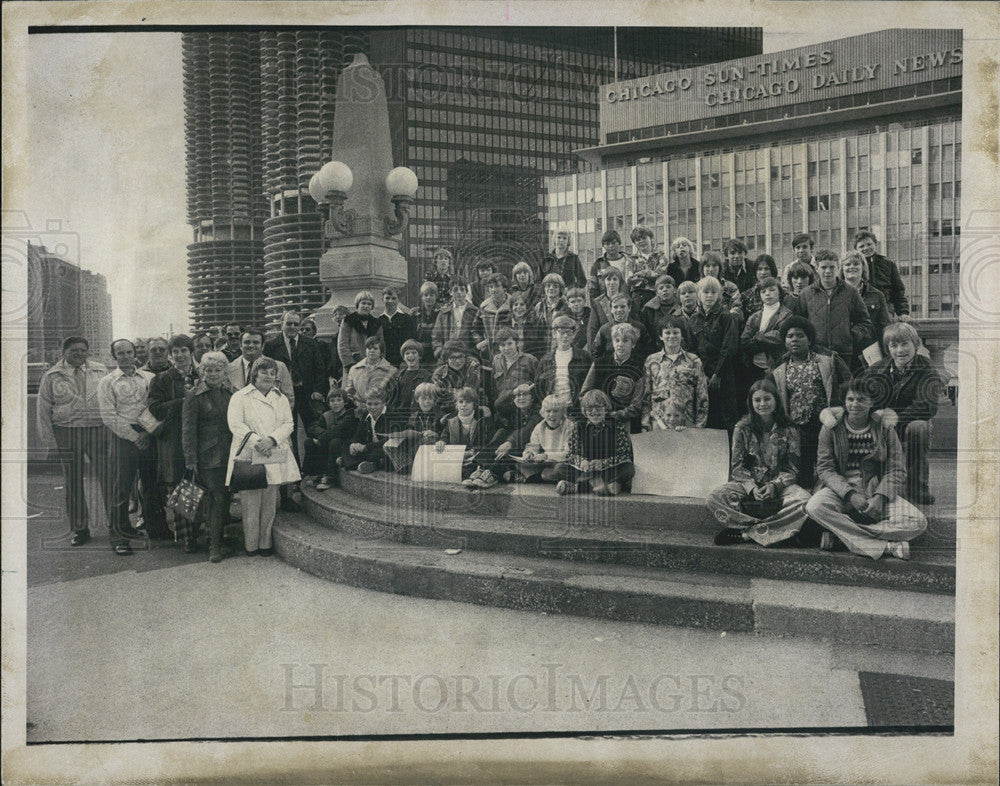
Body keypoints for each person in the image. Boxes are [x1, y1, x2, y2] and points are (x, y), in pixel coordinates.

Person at [805, 377, 928, 560]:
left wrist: (880, 497)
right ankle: (886, 547)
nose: (855, 404)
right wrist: (850, 494)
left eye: (861, 400)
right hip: (840, 490)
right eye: (850, 399)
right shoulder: (831, 428)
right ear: (844, 402)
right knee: (814, 506)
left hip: (874, 489)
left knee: (918, 522)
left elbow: (896, 469)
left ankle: (841, 538)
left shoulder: (884, 428)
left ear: (872, 402)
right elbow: (825, 469)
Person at [708, 380, 812, 547]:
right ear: (751, 403)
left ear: (776, 400)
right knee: (714, 498)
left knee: (805, 501)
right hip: (749, 485)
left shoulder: (789, 428)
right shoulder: (742, 428)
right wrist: (752, 488)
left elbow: (792, 469)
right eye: (757, 400)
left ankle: (745, 535)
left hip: (780, 485)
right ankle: (775, 530)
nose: (762, 404)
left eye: (767, 399)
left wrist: (774, 486)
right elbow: (737, 467)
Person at [36, 336, 109, 547]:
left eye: (83, 350)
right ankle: (80, 529)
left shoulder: (100, 370)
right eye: (74, 350)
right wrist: (49, 443)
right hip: (67, 432)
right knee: (73, 482)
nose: (79, 354)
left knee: (108, 478)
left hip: (97, 430)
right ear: (64, 352)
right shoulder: (52, 376)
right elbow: (43, 410)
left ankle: (116, 525)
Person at [860, 322, 941, 504]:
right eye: (893, 345)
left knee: (920, 428)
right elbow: (860, 393)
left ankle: (917, 486)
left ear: (916, 344)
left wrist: (895, 417)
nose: (900, 350)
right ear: (888, 348)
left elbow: (927, 407)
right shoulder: (878, 368)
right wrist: (875, 414)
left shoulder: (926, 368)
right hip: (881, 425)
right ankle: (873, 481)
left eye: (905, 344)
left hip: (908, 423)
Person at [226, 356, 299, 556]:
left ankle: (265, 544)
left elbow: (288, 424)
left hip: (273, 452)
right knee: (250, 504)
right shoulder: (240, 396)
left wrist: (272, 440)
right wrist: (258, 441)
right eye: (264, 371)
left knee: (270, 502)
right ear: (254, 374)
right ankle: (251, 546)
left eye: (272, 372)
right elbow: (235, 424)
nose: (268, 376)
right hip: (251, 453)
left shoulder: (280, 397)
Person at [766, 316, 851, 487]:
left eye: (800, 335)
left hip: (823, 425)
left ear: (809, 339)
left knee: (826, 468)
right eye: (790, 336)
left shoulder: (828, 361)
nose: (795, 340)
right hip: (796, 429)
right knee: (802, 473)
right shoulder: (779, 370)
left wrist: (841, 409)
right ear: (785, 341)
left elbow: (848, 383)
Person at [97, 339, 157, 555]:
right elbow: (109, 416)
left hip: (149, 433)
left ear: (135, 354)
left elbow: (155, 406)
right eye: (120, 353)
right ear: (114, 356)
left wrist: (148, 433)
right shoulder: (107, 382)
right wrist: (135, 436)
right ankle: (119, 536)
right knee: (121, 488)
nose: (125, 356)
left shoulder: (149, 378)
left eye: (129, 352)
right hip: (122, 436)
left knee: (151, 485)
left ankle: (155, 528)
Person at [181, 351, 236, 563]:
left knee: (221, 498)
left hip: (229, 454)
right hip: (206, 456)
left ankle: (205, 539)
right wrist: (190, 459)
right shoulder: (194, 396)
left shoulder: (233, 393)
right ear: (202, 372)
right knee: (212, 498)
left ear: (225, 371)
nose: (213, 374)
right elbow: (188, 430)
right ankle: (213, 545)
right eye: (208, 370)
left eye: (218, 370)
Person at [148, 334, 200, 550]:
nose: (180, 355)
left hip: (199, 438)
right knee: (181, 486)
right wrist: (183, 402)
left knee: (198, 485)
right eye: (176, 351)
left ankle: (200, 531)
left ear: (191, 352)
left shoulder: (202, 374)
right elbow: (154, 408)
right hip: (174, 440)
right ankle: (187, 537)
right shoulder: (161, 379)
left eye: (184, 351)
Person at [792, 249, 873, 369]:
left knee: (843, 387)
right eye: (824, 267)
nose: (828, 271)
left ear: (838, 267)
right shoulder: (806, 294)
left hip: (844, 354)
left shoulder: (851, 292)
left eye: (832, 267)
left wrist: (850, 335)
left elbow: (864, 322)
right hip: (815, 354)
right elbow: (798, 323)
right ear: (817, 268)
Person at [555, 389, 635, 496]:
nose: (594, 412)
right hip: (586, 469)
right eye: (589, 408)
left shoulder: (617, 425)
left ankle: (578, 487)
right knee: (559, 468)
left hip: (608, 469)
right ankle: (606, 486)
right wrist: (582, 462)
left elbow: (625, 455)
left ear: (605, 408)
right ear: (584, 410)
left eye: (598, 408)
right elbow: (571, 454)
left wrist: (602, 463)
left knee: (628, 469)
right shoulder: (579, 426)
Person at [642, 317, 709, 430]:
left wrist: (699, 427)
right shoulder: (652, 361)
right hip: (659, 424)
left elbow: (702, 396)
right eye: (667, 333)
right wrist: (645, 425)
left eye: (675, 332)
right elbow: (646, 395)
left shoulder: (693, 361)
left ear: (681, 335)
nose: (672, 336)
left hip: (686, 423)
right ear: (661, 336)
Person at [691, 276, 739, 431]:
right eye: (706, 292)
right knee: (704, 416)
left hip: (723, 375)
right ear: (699, 294)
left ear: (719, 294)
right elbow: (691, 348)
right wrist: (701, 373)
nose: (709, 296)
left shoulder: (726, 317)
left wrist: (717, 374)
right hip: (701, 374)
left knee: (726, 417)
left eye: (713, 292)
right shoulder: (693, 319)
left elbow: (729, 347)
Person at [581, 322, 646, 434]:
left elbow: (637, 404)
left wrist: (615, 416)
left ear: (633, 344)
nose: (620, 344)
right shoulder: (599, 363)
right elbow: (585, 393)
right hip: (599, 420)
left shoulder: (640, 366)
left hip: (628, 423)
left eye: (625, 341)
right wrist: (596, 413)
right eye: (617, 340)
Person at [479, 383, 542, 487]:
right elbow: (498, 404)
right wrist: (513, 391)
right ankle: (481, 468)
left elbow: (528, 430)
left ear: (532, 398)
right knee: (502, 432)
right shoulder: (515, 409)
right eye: (517, 395)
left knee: (507, 442)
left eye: (525, 395)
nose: (520, 398)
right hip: (516, 446)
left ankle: (490, 472)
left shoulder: (538, 411)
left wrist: (510, 442)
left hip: (529, 449)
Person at [435, 386, 495, 485]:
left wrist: (472, 453)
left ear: (474, 405)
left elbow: (487, 441)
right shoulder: (450, 422)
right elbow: (445, 436)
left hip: (477, 458)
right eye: (461, 402)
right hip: (459, 459)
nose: (463, 405)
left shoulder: (483, 420)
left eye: (468, 402)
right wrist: (441, 441)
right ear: (456, 405)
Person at [740, 275, 795, 381]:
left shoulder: (786, 314)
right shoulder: (754, 317)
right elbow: (745, 341)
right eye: (763, 291)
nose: (767, 294)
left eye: (772, 290)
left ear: (779, 292)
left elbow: (779, 337)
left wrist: (757, 337)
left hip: (776, 365)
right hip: (755, 366)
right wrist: (765, 339)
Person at [383, 382, 444, 475]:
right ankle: (406, 466)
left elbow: (446, 433)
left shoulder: (440, 415)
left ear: (435, 400)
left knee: (428, 439)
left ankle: (415, 464)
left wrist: (437, 434)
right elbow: (409, 431)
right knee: (388, 444)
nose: (427, 402)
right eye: (423, 398)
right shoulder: (414, 416)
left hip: (432, 446)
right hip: (415, 445)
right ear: (417, 400)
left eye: (430, 398)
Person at [840, 250, 892, 358]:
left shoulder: (877, 295)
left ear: (863, 267)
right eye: (847, 264)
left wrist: (887, 356)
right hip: (842, 350)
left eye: (856, 264)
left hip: (869, 350)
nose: (852, 267)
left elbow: (884, 327)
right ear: (842, 268)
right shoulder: (833, 294)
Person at [536, 314, 592, 411]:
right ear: (554, 334)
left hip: (576, 409)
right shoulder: (546, 360)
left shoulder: (584, 357)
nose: (565, 336)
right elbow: (538, 386)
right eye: (561, 333)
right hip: (553, 410)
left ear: (574, 335)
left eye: (569, 333)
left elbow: (591, 384)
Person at [306, 387, 357, 489]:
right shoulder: (327, 415)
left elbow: (337, 431)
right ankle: (317, 474)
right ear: (328, 403)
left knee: (334, 441)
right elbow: (312, 428)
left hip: (346, 445)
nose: (335, 403)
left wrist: (320, 439)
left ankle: (330, 478)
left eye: (339, 400)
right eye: (332, 401)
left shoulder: (350, 415)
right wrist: (322, 434)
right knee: (309, 442)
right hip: (330, 441)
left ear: (345, 402)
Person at [853, 229, 909, 319]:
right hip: (861, 309)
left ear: (876, 245)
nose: (866, 248)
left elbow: (898, 291)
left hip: (885, 309)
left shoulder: (888, 264)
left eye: (869, 244)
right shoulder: (852, 266)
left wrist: (903, 312)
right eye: (861, 246)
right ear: (856, 249)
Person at [519, 395, 574, 483]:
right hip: (546, 463)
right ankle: (542, 477)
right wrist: (529, 453)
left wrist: (546, 455)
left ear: (562, 413)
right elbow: (532, 446)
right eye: (548, 411)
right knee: (522, 465)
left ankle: (536, 478)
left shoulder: (569, 426)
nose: (551, 415)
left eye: (556, 411)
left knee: (559, 469)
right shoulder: (539, 427)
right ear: (543, 412)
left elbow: (568, 453)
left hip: (562, 461)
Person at [228, 328, 293, 398]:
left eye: (256, 342)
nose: (251, 345)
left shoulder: (280, 367)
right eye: (247, 342)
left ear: (262, 346)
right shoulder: (228, 369)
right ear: (240, 345)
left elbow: (288, 397)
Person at [340, 387, 391, 474]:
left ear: (384, 403)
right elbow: (358, 434)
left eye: (376, 404)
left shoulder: (390, 415)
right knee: (345, 444)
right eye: (369, 404)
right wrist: (353, 444)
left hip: (383, 448)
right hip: (369, 448)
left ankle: (349, 462)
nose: (372, 407)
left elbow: (389, 439)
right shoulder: (366, 415)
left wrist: (365, 447)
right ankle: (370, 464)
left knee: (377, 453)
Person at [489, 327, 539, 409]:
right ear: (498, 347)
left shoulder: (530, 360)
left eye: (509, 343)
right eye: (502, 345)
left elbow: (538, 386)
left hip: (523, 408)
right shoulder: (496, 360)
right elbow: (493, 387)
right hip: (502, 407)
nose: (506, 348)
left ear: (517, 343)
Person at [336, 292, 384, 376]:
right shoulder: (348, 321)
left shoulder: (376, 323)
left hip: (372, 366)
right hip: (354, 364)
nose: (366, 306)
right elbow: (342, 345)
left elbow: (381, 345)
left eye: (369, 304)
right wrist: (349, 365)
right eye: (363, 303)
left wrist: (379, 363)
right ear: (358, 304)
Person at [386, 338, 433, 424]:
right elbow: (390, 399)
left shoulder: (427, 376)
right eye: (407, 353)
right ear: (403, 357)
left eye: (414, 352)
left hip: (417, 419)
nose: (410, 355)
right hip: (398, 418)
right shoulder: (397, 376)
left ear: (420, 356)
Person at [344, 336, 397, 409]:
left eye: (375, 348)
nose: (372, 351)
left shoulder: (391, 370)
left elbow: (392, 396)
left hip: (380, 409)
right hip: (358, 410)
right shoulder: (354, 369)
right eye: (369, 348)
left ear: (381, 351)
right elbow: (349, 392)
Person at [431, 278, 478, 360]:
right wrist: (440, 352)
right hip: (447, 355)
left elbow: (477, 334)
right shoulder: (444, 313)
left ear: (466, 291)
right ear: (450, 292)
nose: (459, 292)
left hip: (468, 355)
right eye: (455, 290)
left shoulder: (474, 311)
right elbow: (436, 335)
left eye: (462, 289)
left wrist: (473, 353)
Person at [431, 340, 483, 411]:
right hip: (447, 409)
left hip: (471, 407)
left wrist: (450, 392)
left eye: (460, 356)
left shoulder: (473, 364)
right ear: (446, 359)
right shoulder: (439, 374)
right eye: (453, 358)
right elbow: (439, 397)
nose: (458, 361)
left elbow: (469, 393)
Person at [472, 273, 512, 366]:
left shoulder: (513, 304)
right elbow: (475, 329)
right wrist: (480, 342)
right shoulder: (484, 307)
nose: (493, 290)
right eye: (490, 287)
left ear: (504, 288)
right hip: (488, 353)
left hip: (509, 351)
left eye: (497, 286)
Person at [590, 294, 646, 360]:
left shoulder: (639, 327)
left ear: (629, 308)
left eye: (622, 306)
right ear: (611, 309)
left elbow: (647, 350)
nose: (619, 310)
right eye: (615, 307)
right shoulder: (604, 329)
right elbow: (595, 352)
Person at [586, 267, 629, 353]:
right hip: (606, 349)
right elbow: (592, 330)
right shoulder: (597, 303)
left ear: (620, 282)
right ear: (604, 282)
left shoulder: (627, 301)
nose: (612, 283)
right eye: (608, 279)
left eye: (615, 279)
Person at [639, 274, 680, 356]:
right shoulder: (648, 310)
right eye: (661, 288)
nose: (665, 290)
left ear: (675, 290)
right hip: (655, 351)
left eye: (668, 287)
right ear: (657, 292)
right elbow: (646, 335)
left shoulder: (681, 306)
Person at [700, 252, 744, 326]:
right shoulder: (696, 287)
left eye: (714, 266)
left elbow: (737, 311)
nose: (711, 269)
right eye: (707, 266)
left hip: (726, 326)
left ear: (719, 268)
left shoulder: (730, 287)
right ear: (702, 268)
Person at [500, 292, 547, 359]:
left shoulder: (535, 324)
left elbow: (541, 349)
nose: (519, 307)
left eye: (522, 304)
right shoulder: (504, 324)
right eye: (515, 304)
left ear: (527, 307)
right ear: (511, 307)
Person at [377, 286, 416, 366]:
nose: (390, 301)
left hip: (403, 362)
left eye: (394, 298)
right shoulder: (378, 320)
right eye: (387, 298)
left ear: (398, 300)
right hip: (384, 363)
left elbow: (411, 341)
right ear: (382, 299)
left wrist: (405, 361)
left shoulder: (406, 319)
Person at [588, 230, 630, 300]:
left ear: (619, 243)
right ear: (603, 246)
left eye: (613, 243)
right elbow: (593, 289)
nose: (611, 246)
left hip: (627, 302)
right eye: (607, 244)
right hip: (605, 303)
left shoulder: (629, 261)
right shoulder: (598, 264)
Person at [740, 254, 782, 320]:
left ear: (772, 270)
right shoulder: (746, 296)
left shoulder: (782, 293)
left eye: (766, 269)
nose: (763, 272)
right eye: (759, 269)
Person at [413, 282, 440, 364]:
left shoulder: (441, 313)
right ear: (421, 297)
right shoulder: (416, 313)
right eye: (426, 295)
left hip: (435, 351)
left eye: (432, 295)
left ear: (436, 297)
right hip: (419, 352)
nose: (429, 297)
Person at [560, 287, 591, 351]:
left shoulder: (591, 317)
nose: (576, 304)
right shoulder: (564, 319)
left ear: (584, 301)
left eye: (579, 301)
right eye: (573, 302)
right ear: (568, 304)